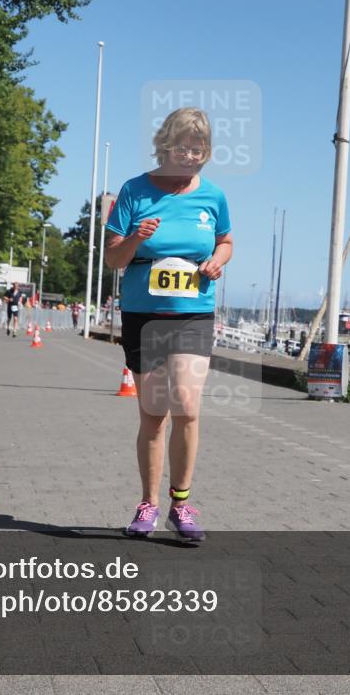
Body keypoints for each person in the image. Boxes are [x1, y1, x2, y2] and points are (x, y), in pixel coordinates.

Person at [104, 107, 233, 543]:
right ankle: (148, 504)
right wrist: (137, 237)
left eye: (199, 150)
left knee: (188, 406)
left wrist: (217, 260)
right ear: (166, 146)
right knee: (154, 416)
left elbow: (226, 241)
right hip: (144, 314)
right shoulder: (134, 190)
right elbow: (113, 258)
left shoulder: (212, 196)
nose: (191, 157)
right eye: (184, 149)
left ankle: (182, 504)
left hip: (193, 313)